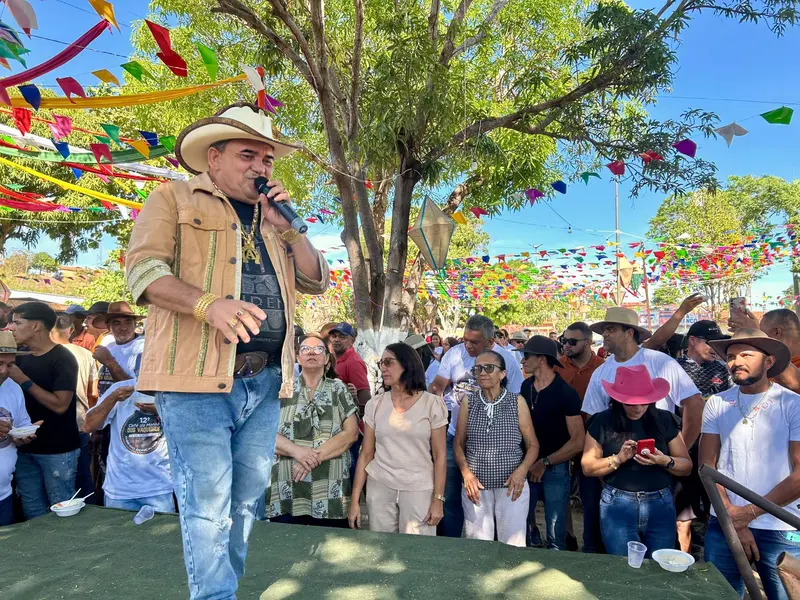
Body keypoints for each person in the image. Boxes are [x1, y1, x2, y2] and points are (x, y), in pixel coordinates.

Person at [125, 102, 328, 600]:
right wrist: (207, 305)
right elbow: (143, 273)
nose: (262, 166)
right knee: (209, 502)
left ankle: (223, 591)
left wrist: (292, 228)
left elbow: (316, 280)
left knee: (245, 503)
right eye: (249, 155)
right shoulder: (171, 197)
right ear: (213, 159)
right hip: (195, 381)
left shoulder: (274, 219)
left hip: (264, 384)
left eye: (268, 159)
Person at [701, 329, 800, 600]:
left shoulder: (792, 404)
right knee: (720, 595)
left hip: (780, 526)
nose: (736, 362)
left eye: (746, 354)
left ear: (768, 362)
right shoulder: (717, 404)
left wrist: (747, 515)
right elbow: (707, 467)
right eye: (731, 356)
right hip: (724, 519)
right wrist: (734, 518)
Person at [582, 365, 692, 556]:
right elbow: (587, 467)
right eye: (631, 403)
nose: (638, 408)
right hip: (618, 503)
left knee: (659, 565)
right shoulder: (602, 421)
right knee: (624, 567)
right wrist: (618, 459)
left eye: (644, 402)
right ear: (618, 400)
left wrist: (663, 460)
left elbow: (687, 466)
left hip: (659, 502)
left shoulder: (664, 419)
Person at [429, 315, 523, 537]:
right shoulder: (454, 354)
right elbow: (438, 387)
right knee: (450, 496)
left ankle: (490, 546)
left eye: (475, 342)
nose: (468, 346)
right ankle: (450, 546)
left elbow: (515, 400)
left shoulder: (507, 360)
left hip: (490, 444)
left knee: (485, 501)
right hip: (455, 436)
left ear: (490, 342)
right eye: (465, 340)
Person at [349, 343, 447, 536]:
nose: (383, 368)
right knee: (381, 549)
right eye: (381, 363)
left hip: (419, 488)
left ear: (407, 364)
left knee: (417, 553)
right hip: (380, 485)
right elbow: (367, 453)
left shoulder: (432, 404)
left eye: (389, 362)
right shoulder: (375, 404)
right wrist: (354, 501)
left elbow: (440, 455)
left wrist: (438, 499)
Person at [265, 333, 358, 527]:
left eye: (318, 349)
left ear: (326, 359)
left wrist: (312, 458)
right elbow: (265, 432)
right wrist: (298, 452)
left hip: (329, 488)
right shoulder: (282, 389)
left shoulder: (338, 389)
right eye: (306, 349)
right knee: (286, 546)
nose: (312, 353)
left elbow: (351, 433)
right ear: (298, 357)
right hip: (286, 485)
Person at [454, 350, 538, 547]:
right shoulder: (469, 401)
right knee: (478, 547)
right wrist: (466, 474)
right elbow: (458, 443)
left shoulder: (516, 402)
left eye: (489, 368)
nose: (482, 373)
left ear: (502, 374)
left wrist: (521, 471)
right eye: (478, 368)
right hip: (476, 486)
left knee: (512, 547)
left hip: (511, 486)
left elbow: (533, 445)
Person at [7, 302, 80, 519]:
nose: (11, 327)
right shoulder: (18, 355)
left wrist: (24, 380)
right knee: (33, 510)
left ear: (36, 326)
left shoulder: (63, 358)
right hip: (23, 446)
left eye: (17, 322)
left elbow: (60, 405)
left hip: (57, 449)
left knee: (61, 509)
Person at [519, 336, 584, 550]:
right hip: (527, 464)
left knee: (556, 529)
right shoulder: (525, 386)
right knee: (523, 522)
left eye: (527, 356)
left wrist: (544, 462)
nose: (522, 360)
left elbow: (578, 441)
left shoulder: (566, 393)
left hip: (555, 467)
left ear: (542, 359)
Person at [674, 319, 732, 551]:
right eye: (709, 342)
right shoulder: (675, 367)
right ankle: (685, 547)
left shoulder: (722, 367)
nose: (713, 347)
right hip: (684, 444)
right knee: (685, 501)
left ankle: (719, 541)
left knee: (716, 497)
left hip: (717, 445)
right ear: (693, 341)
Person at [83, 377, 174, 513]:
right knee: (119, 534)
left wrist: (160, 409)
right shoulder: (119, 389)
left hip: (159, 489)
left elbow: (189, 426)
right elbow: (88, 426)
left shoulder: (168, 388)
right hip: (119, 490)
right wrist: (112, 398)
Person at [556, 321, 607, 553]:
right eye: (563, 341)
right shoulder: (557, 367)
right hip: (560, 440)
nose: (566, 345)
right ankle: (567, 538)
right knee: (559, 492)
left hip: (594, 442)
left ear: (588, 343)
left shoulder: (603, 367)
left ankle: (592, 545)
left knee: (591, 496)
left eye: (572, 341)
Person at [51, 314, 98, 505]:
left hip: (53, 424)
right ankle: (90, 512)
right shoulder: (86, 354)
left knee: (58, 479)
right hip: (81, 422)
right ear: (71, 331)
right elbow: (93, 392)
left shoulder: (46, 354)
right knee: (83, 475)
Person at [0, 331, 39, 526]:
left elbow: (22, 422)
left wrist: (24, 434)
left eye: (10, 365)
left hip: (3, 493)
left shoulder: (13, 388)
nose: (4, 371)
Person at [92, 302, 145, 398]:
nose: (123, 328)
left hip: (130, 412)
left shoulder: (142, 348)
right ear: (108, 327)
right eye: (117, 323)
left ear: (135, 324)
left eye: (128, 322)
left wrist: (109, 361)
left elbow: (134, 390)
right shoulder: (109, 347)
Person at [328, 322, 371, 410]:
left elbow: (364, 398)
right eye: (334, 336)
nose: (336, 339)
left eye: (342, 337)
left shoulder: (353, 362)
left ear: (352, 340)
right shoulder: (334, 360)